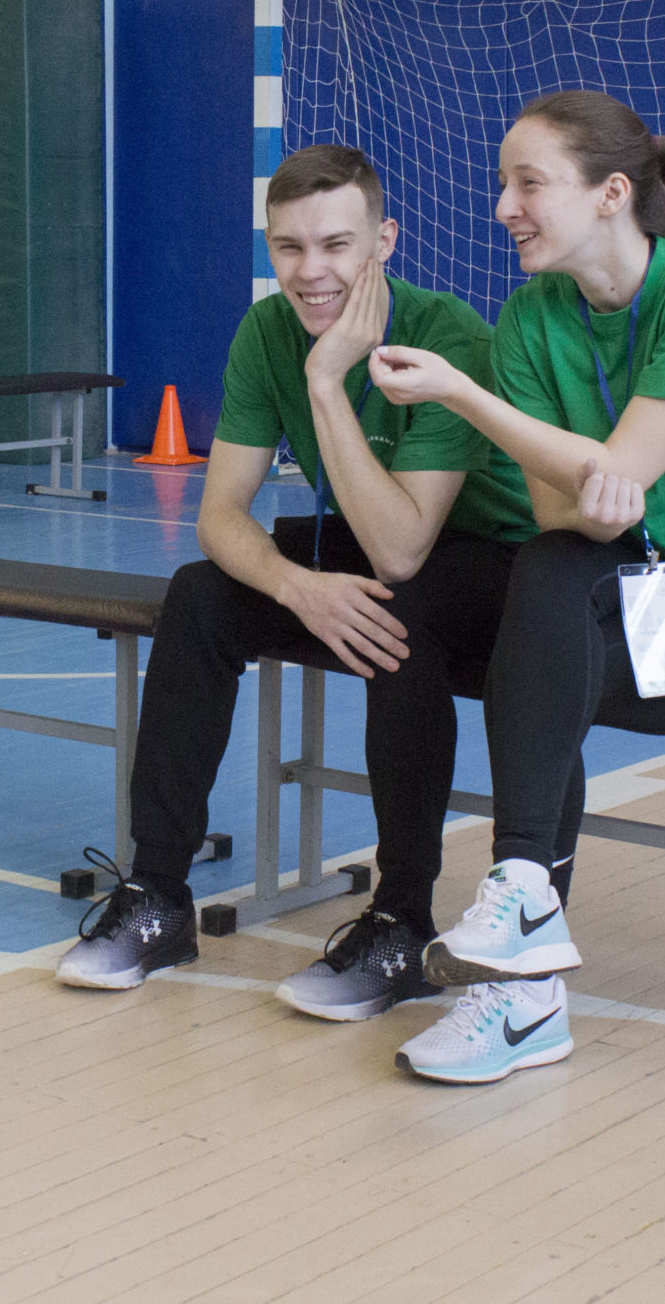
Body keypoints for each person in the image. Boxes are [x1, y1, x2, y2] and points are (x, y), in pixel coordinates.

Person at [367, 90, 665, 1084]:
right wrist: (583, 478)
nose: (503, 206)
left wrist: (461, 393)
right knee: (532, 583)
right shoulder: (532, 317)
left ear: (611, 194)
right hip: (650, 590)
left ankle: (523, 969)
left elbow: (617, 483)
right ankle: (519, 923)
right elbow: (573, 517)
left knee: (545, 646)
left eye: (528, 183)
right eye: (502, 183)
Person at [56, 145, 538, 1020]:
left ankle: (402, 920)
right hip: (370, 544)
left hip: (487, 560)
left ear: (383, 241)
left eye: (336, 245)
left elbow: (403, 548)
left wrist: (325, 380)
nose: (311, 271)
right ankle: (159, 893)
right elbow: (219, 515)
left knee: (399, 611)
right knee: (201, 594)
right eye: (289, 247)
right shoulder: (265, 330)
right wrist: (297, 587)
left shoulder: (447, 334)